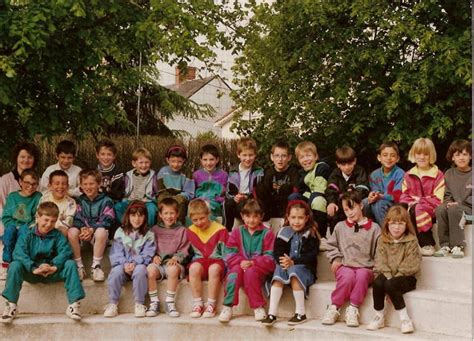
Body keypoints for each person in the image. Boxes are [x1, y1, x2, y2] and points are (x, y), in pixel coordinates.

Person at [1, 202, 85, 323]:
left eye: (53, 221)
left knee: (70, 264)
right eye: (46, 220)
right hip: (32, 272)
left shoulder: (57, 235)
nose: (48, 224)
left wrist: (54, 266)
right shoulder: (27, 234)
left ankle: (74, 305)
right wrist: (33, 267)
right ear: (37, 217)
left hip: (51, 272)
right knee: (15, 265)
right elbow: (19, 253)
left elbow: (65, 252)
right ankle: (11, 305)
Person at [322, 191, 380, 327]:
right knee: (347, 276)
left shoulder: (374, 228)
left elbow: (380, 252)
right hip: (344, 266)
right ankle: (334, 307)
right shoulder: (340, 226)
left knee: (362, 275)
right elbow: (331, 245)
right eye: (346, 210)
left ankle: (353, 308)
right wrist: (336, 258)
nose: (349, 212)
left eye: (352, 208)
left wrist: (377, 269)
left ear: (361, 205)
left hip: (366, 267)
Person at [261, 200, 320, 326]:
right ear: (287, 217)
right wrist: (284, 261)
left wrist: (293, 262)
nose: (296, 221)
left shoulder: (311, 234)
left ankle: (300, 313)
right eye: (293, 217)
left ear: (306, 218)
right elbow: (277, 252)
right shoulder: (283, 232)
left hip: (305, 269)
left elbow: (311, 255)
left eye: (300, 218)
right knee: (279, 269)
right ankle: (272, 313)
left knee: (294, 271)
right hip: (286, 265)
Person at [367, 205, 421, 334]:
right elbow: (380, 260)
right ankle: (379, 316)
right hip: (387, 275)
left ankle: (405, 319)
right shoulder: (382, 240)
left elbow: (412, 263)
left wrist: (395, 278)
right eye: (393, 224)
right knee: (378, 283)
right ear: (387, 224)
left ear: (406, 225)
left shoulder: (411, 240)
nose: (396, 228)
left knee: (390, 284)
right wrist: (387, 275)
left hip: (407, 277)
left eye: (401, 224)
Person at [219, 199, 276, 323]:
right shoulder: (237, 232)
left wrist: (253, 262)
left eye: (255, 216)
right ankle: (228, 306)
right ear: (242, 216)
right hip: (239, 265)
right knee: (233, 274)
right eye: (248, 216)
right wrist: (241, 262)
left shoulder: (267, 233)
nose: (251, 220)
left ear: (262, 217)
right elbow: (230, 254)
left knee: (250, 273)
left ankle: (258, 306)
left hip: (258, 268)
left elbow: (270, 258)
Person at [103, 200, 156, 318]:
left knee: (141, 270)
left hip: (139, 265)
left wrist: (134, 263)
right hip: (122, 265)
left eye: (140, 215)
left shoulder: (149, 234)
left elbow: (148, 254)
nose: (137, 219)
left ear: (145, 217)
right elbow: (116, 252)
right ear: (128, 216)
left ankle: (139, 304)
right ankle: (112, 303)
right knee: (115, 272)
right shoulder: (120, 232)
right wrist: (124, 264)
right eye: (133, 215)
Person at [146, 198, 190, 317]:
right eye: (165, 213)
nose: (169, 216)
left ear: (177, 214)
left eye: (172, 213)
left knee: (172, 269)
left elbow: (184, 250)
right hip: (159, 264)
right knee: (150, 270)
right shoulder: (154, 230)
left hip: (174, 264)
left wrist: (176, 258)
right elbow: (149, 248)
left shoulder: (182, 230)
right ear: (160, 215)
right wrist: (153, 256)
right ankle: (154, 302)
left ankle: (169, 302)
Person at [400, 138, 444, 256]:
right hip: (413, 208)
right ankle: (402, 244)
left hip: (431, 209)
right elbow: (404, 196)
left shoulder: (438, 174)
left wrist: (419, 200)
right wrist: (412, 202)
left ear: (431, 155)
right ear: (414, 154)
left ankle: (427, 243)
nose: (422, 157)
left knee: (418, 208)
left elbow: (438, 199)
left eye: (426, 154)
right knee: (399, 208)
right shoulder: (409, 174)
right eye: (418, 153)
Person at [69, 169, 115, 281]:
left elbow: (108, 219)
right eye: (85, 184)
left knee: (101, 231)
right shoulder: (80, 200)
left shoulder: (106, 200)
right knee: (72, 231)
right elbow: (77, 217)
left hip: (98, 237)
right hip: (83, 235)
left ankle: (96, 266)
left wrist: (92, 229)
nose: (88, 187)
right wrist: (84, 229)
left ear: (99, 184)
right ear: (81, 185)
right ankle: (79, 266)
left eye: (91, 184)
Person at [186, 199, 228, 318]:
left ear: (208, 214)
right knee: (193, 268)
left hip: (217, 261)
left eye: (202, 218)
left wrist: (227, 270)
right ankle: (198, 303)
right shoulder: (190, 231)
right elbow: (187, 252)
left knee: (213, 269)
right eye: (195, 220)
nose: (199, 222)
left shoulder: (220, 230)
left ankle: (211, 304)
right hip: (200, 261)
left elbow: (226, 253)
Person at [434, 139, 472, 258]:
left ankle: (458, 246)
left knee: (454, 209)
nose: (461, 157)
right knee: (440, 209)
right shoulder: (449, 174)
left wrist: (459, 203)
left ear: (470, 156)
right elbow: (447, 195)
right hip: (454, 208)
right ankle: (445, 245)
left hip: (470, 210)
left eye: (465, 154)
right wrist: (448, 203)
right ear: (452, 158)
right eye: (458, 154)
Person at [1, 170, 42, 272]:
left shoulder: (38, 197)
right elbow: (6, 217)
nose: (30, 186)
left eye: (34, 184)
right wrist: (15, 226)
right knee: (10, 231)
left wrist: (28, 226)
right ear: (20, 182)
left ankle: (22, 260)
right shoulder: (12, 196)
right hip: (13, 226)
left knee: (24, 231)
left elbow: (37, 217)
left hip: (28, 227)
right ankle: (7, 261)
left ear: (37, 184)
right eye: (27, 183)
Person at [325, 146, 369, 234]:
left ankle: (358, 234)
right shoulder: (335, 174)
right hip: (339, 203)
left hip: (355, 203)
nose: (347, 167)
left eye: (350, 163)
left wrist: (350, 200)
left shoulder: (360, 171)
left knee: (360, 208)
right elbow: (330, 190)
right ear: (338, 164)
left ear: (355, 161)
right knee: (333, 211)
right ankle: (335, 237)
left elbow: (362, 189)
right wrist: (331, 202)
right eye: (343, 165)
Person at [292, 141, 331, 239]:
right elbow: (302, 191)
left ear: (316, 157)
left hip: (323, 196)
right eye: (302, 157)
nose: (306, 160)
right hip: (311, 197)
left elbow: (319, 189)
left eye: (308, 156)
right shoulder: (302, 173)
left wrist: (307, 206)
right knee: (294, 197)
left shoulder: (321, 167)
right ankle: (296, 231)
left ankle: (320, 235)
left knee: (317, 201)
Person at [223, 137, 263, 231]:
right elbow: (229, 191)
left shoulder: (258, 171)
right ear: (238, 155)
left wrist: (247, 197)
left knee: (246, 204)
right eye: (244, 155)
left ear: (255, 155)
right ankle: (227, 230)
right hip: (237, 199)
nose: (247, 158)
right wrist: (235, 197)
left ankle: (248, 230)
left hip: (250, 200)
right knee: (227, 203)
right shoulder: (233, 171)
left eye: (250, 155)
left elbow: (258, 190)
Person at [0, 142, 40, 233]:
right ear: (16, 158)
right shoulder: (5, 180)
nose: (26, 160)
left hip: (30, 224)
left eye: (29, 157)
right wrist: (12, 226)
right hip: (7, 221)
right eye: (22, 157)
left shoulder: (38, 181)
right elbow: (1, 207)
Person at [114, 147, 158, 226]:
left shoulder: (153, 176)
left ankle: (147, 229)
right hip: (131, 201)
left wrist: (155, 200)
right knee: (117, 207)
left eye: (147, 162)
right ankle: (126, 226)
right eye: (141, 162)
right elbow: (124, 190)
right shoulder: (128, 175)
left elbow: (156, 191)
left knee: (151, 209)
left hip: (146, 201)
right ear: (134, 163)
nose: (144, 165)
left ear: (150, 163)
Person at [256, 141, 300, 222]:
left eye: (283, 156)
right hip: (271, 205)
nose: (280, 159)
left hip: (285, 204)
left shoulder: (293, 171)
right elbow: (264, 191)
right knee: (260, 187)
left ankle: (285, 216)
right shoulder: (268, 172)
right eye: (277, 156)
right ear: (272, 157)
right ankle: (265, 215)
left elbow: (296, 190)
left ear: (289, 157)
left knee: (286, 187)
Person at [365, 142, 405, 225]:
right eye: (385, 155)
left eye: (392, 155)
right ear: (379, 157)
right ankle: (370, 230)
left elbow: (397, 195)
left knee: (379, 204)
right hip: (378, 201)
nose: (389, 158)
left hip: (394, 204)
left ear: (397, 158)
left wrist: (381, 196)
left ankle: (385, 232)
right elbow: (375, 191)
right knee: (364, 203)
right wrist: (372, 195)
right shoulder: (374, 174)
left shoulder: (400, 173)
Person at [156, 145, 194, 225]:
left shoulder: (187, 173)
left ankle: (178, 226)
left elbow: (189, 192)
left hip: (181, 196)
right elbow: (160, 189)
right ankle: (161, 225)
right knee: (162, 201)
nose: (176, 164)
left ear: (184, 160)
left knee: (179, 203)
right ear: (167, 160)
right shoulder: (163, 171)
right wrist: (168, 198)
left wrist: (178, 198)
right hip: (165, 195)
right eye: (173, 161)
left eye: (179, 162)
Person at [193, 144, 228, 220]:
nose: (208, 163)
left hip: (214, 203)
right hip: (198, 202)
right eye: (205, 160)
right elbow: (192, 192)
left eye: (211, 159)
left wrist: (217, 199)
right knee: (193, 209)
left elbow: (225, 194)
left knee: (207, 207)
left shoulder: (223, 175)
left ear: (217, 160)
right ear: (201, 160)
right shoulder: (196, 175)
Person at [39, 170, 77, 236]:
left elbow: (68, 223)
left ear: (68, 186)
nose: (60, 186)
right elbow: (38, 216)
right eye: (57, 183)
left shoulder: (71, 203)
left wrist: (52, 226)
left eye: (64, 184)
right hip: (44, 227)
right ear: (50, 186)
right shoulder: (44, 199)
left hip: (59, 231)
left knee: (64, 230)